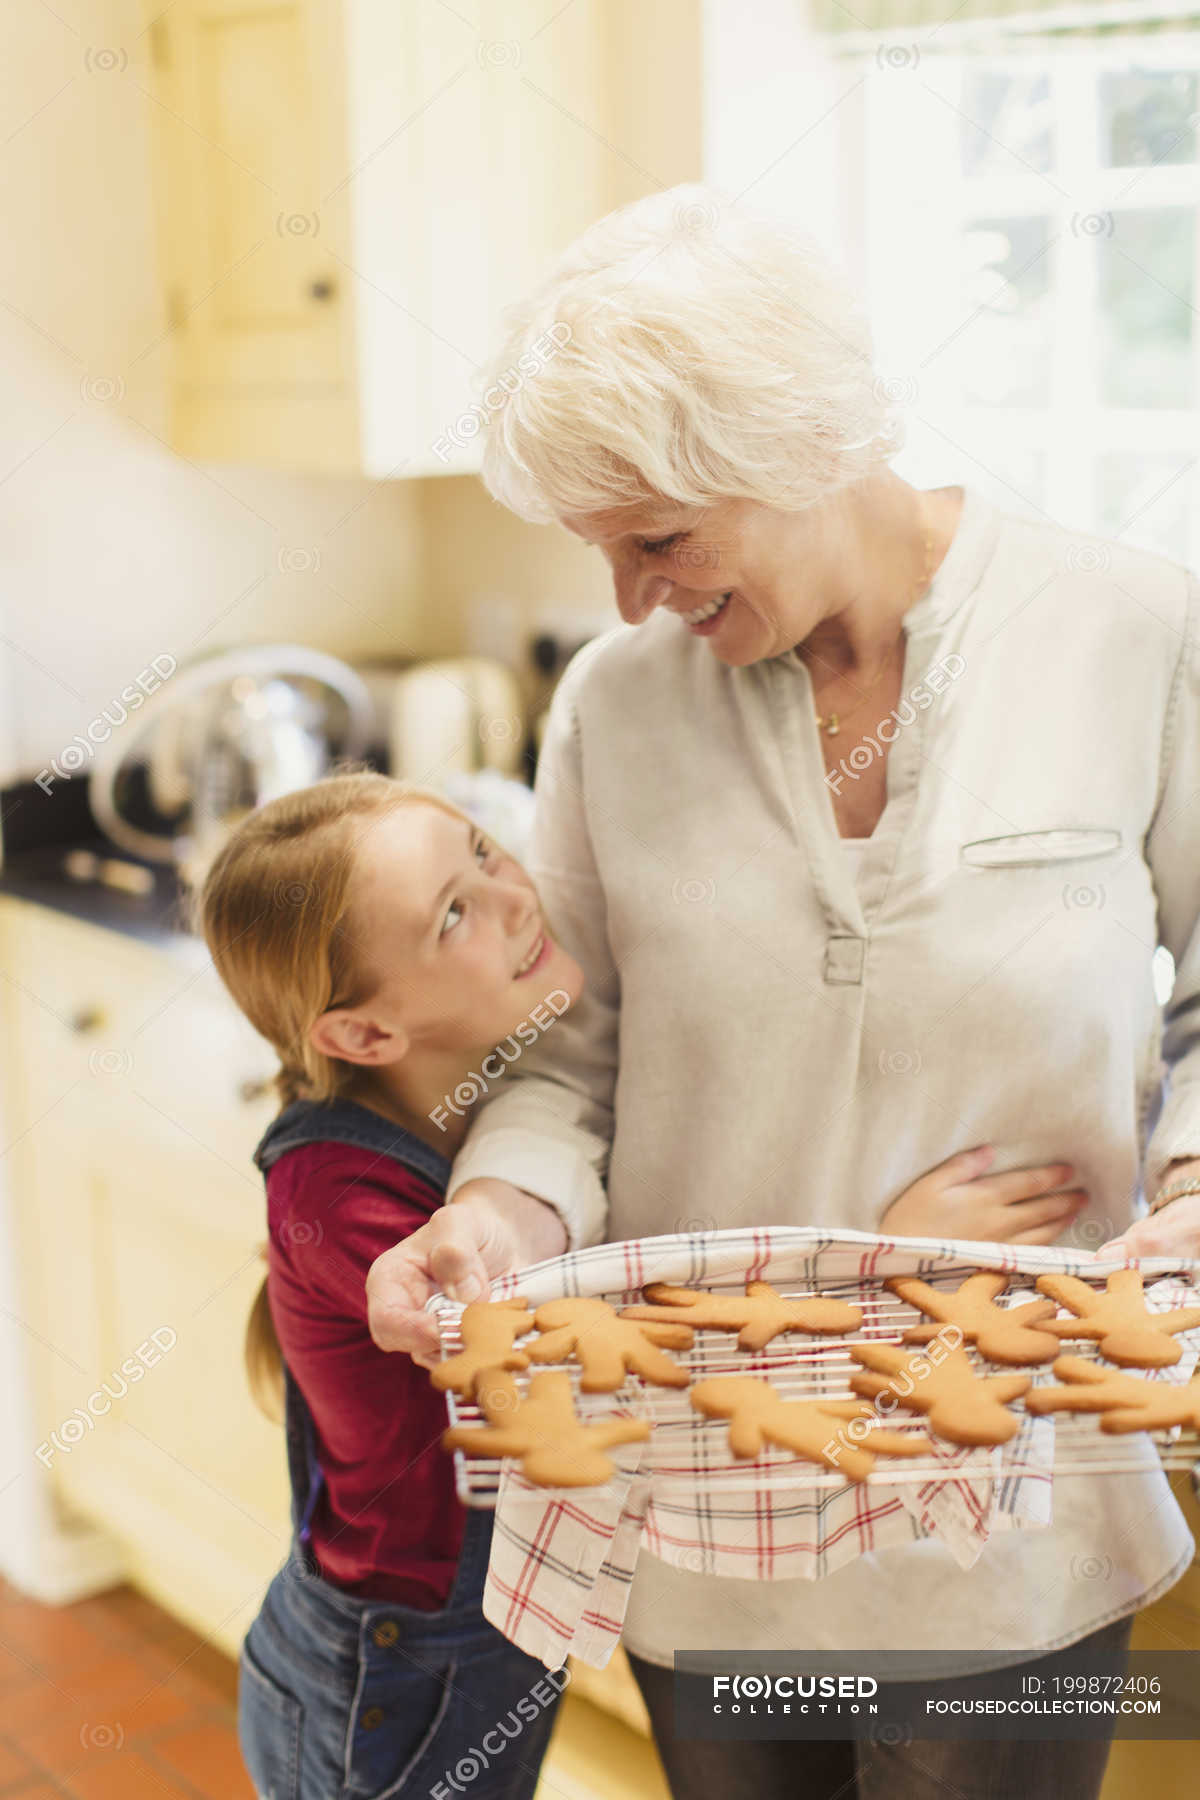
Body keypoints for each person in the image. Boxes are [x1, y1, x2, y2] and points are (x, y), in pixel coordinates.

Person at [364, 184, 1200, 1799]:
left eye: (658, 542)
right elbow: (570, 1058)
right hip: (711, 1487)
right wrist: (498, 1220)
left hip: (1007, 1494)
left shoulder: (1133, 630)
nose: (628, 600)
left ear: (798, 441)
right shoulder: (618, 706)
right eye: (599, 552)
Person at [198, 772, 577, 1800]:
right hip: (385, 1671)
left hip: (462, 1645)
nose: (516, 898)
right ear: (364, 1036)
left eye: (486, 851)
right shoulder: (340, 1193)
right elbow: (559, 1367)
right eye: (453, 913)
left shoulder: (479, 1091)